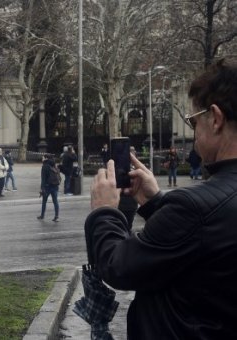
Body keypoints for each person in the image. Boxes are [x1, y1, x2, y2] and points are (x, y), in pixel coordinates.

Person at [84, 59, 237, 339]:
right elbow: (199, 253)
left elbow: (118, 267)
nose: (193, 133)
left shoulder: (194, 208)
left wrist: (104, 212)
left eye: (193, 121)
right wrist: (155, 203)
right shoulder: (202, 210)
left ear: (215, 119)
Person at [118, 146, 138, 231]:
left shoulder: (137, 167)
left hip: (132, 201)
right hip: (121, 200)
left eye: (133, 152)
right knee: (124, 226)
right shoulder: (119, 167)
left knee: (128, 225)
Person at [38, 154, 60, 221]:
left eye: (43, 158)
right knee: (55, 201)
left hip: (47, 186)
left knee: (44, 201)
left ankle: (42, 215)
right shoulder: (54, 165)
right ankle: (56, 216)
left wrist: (42, 188)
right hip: (55, 186)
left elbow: (43, 179)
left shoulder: (45, 166)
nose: (42, 159)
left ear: (46, 158)